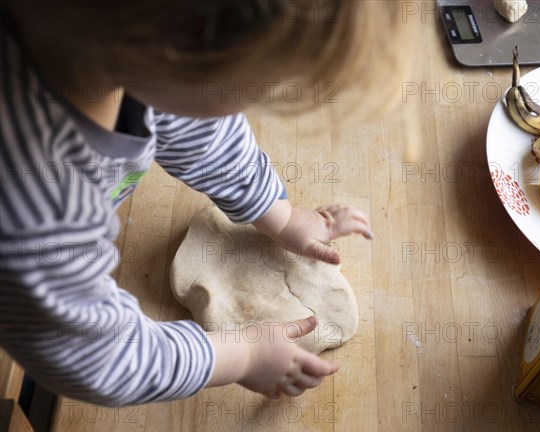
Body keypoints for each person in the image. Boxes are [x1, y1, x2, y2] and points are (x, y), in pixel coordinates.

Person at [0, 1, 410, 406]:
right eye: (259, 89)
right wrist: (241, 356)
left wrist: (280, 217)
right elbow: (92, 354)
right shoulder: (36, 196)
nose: (254, 100)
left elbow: (195, 124)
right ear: (177, 52)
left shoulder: (106, 42)